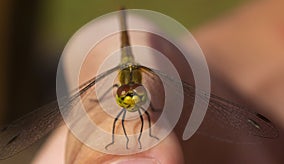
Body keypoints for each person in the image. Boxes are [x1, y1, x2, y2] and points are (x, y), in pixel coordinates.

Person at [33, 1, 284, 163]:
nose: (131, 100)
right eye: (125, 96)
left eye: (134, 96)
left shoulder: (143, 84)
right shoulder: (119, 86)